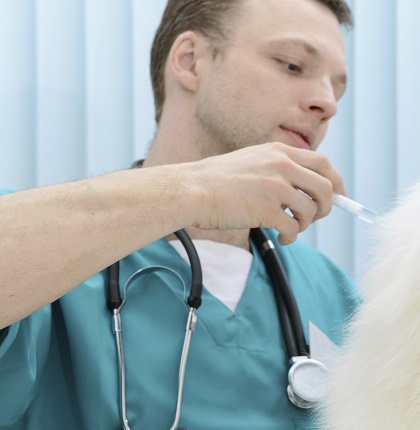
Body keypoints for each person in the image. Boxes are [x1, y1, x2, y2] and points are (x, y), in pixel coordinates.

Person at [0, 0, 358, 428]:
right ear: (190, 61)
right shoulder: (45, 240)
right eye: (292, 65)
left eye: (336, 90)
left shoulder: (333, 293)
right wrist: (194, 188)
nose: (327, 104)